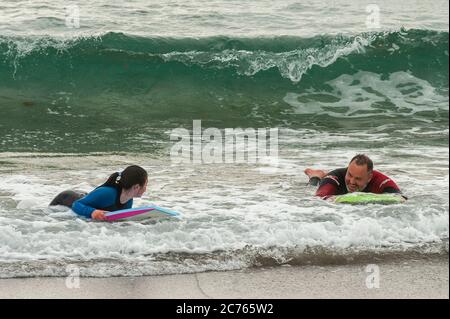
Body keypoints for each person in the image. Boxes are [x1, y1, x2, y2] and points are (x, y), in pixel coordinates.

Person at [49, 165, 148, 220]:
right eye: (145, 185)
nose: (146, 189)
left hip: (88, 199)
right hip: (66, 199)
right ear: (136, 187)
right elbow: (76, 205)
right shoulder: (108, 193)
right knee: (48, 219)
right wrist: (92, 212)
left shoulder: (128, 201)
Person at [304, 154, 403, 199]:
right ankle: (316, 175)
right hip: (334, 178)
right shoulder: (336, 178)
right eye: (350, 175)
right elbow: (319, 198)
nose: (352, 182)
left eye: (358, 178)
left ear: (369, 177)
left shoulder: (380, 180)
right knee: (313, 185)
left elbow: (400, 198)